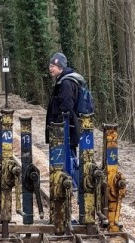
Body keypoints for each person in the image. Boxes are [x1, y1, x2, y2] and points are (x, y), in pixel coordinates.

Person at [45, 52, 84, 189]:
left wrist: (59, 126)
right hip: (64, 128)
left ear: (61, 67)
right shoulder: (63, 81)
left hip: (66, 129)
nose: (51, 68)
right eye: (50, 65)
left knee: (69, 156)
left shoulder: (66, 83)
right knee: (67, 155)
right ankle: (69, 184)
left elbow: (66, 106)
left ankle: (73, 186)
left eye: (54, 66)